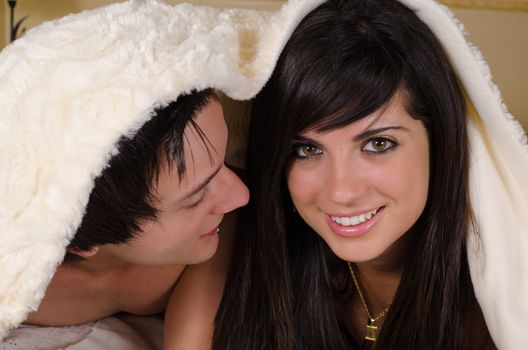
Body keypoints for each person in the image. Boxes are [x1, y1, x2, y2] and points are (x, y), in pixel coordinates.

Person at [214, 0, 528, 349]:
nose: (342, 191)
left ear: (440, 140)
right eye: (307, 149)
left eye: (378, 143)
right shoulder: (245, 247)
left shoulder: (506, 298)